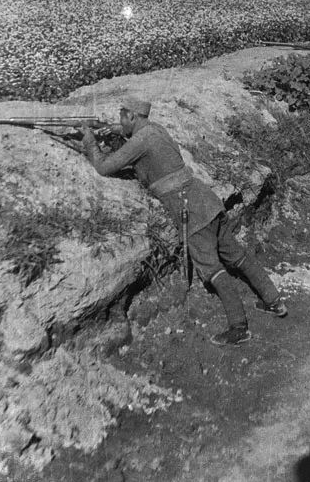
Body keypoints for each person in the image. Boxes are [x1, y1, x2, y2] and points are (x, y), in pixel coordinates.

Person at [81, 96, 287, 347]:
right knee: (237, 256)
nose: (119, 121)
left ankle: (239, 327)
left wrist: (90, 142)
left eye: (121, 117)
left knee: (212, 269)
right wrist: (116, 130)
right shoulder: (155, 130)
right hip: (206, 200)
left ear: (132, 117)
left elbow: (104, 167)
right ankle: (274, 301)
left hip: (189, 208)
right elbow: (142, 144)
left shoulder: (140, 140)